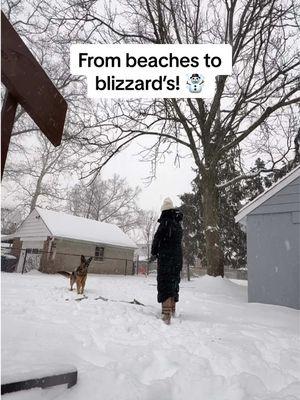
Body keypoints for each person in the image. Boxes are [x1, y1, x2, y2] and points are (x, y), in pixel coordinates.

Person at [150, 197, 183, 324]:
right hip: (177, 259)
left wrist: (154, 253)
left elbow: (157, 239)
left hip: (166, 259)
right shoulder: (177, 224)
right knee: (174, 283)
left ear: (164, 210)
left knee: (165, 284)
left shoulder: (165, 223)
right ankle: (173, 310)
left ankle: (166, 314)